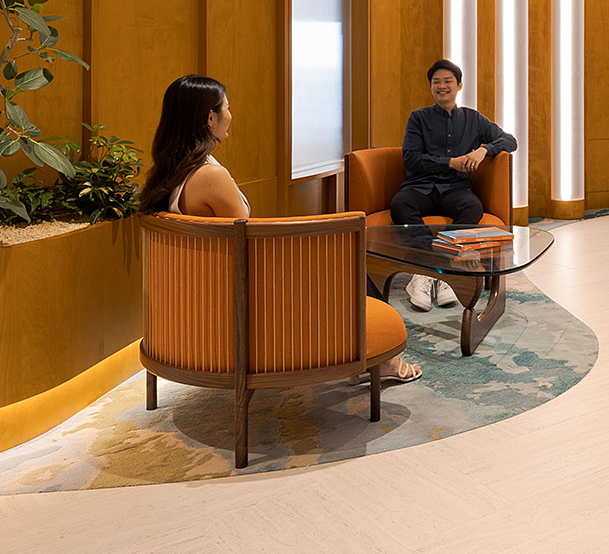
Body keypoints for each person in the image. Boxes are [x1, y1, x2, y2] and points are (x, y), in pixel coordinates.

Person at [140, 75, 420, 383]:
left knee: (340, 260)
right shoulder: (210, 176)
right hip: (245, 297)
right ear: (210, 118)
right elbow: (247, 244)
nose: (231, 115)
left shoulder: (171, 174)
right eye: (227, 108)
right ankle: (382, 358)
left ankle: (375, 353)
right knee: (351, 261)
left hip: (209, 294)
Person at [394, 60, 517, 311]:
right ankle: (428, 272)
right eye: (436, 82)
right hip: (421, 187)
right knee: (400, 204)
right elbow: (411, 158)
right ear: (430, 88)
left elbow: (510, 141)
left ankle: (443, 273)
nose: (442, 86)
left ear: (459, 85)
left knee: (472, 207)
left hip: (455, 189)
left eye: (448, 81)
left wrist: (485, 149)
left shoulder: (473, 119)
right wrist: (450, 162)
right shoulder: (418, 118)